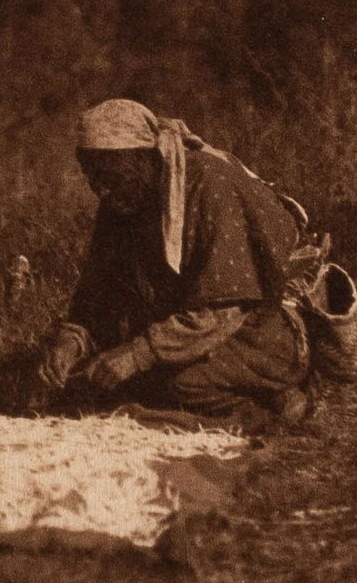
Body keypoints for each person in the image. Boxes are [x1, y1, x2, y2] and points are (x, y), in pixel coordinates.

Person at [34, 98, 321, 433]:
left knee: (172, 383)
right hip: (187, 329)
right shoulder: (120, 198)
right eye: (92, 177)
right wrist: (70, 343)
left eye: (110, 176)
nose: (101, 190)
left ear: (146, 159)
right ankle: (252, 396)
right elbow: (98, 295)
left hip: (261, 332)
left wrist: (137, 355)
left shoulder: (209, 185)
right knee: (101, 379)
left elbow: (224, 310)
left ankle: (265, 404)